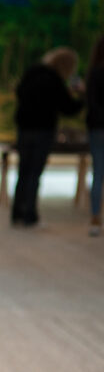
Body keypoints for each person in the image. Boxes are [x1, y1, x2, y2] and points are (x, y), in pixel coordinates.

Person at [12, 47, 84, 227]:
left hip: (25, 128)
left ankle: (17, 212)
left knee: (23, 171)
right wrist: (81, 96)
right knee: (35, 173)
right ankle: (29, 213)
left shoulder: (32, 73)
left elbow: (19, 92)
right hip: (43, 130)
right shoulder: (55, 81)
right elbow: (69, 108)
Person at [87, 36, 104, 236]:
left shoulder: (94, 73)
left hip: (97, 128)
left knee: (97, 173)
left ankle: (95, 217)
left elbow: (91, 103)